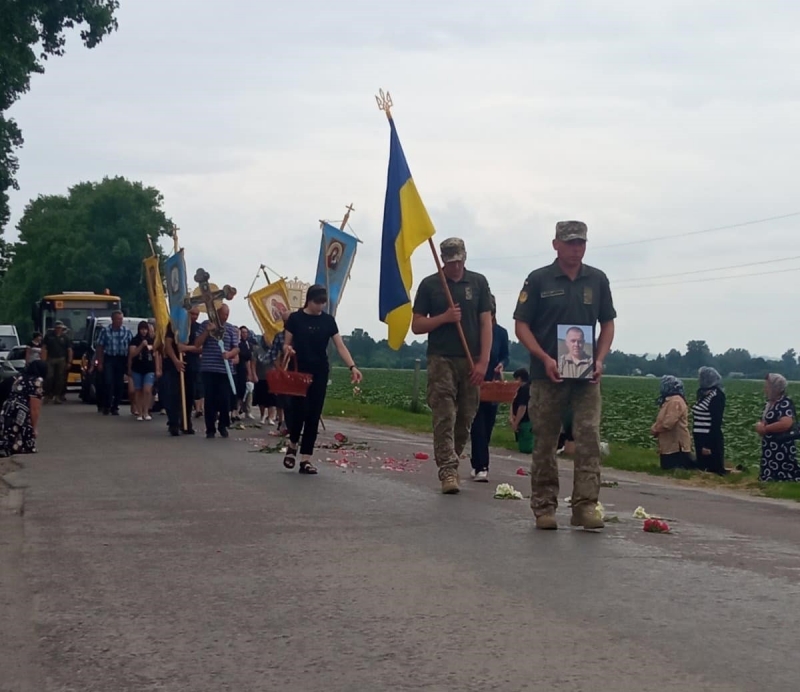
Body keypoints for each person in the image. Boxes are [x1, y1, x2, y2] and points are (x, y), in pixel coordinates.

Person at [513, 220, 616, 530]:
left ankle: (585, 506)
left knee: (588, 439)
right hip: (547, 376)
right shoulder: (539, 280)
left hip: (586, 378)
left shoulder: (596, 280)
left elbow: (607, 323)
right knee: (545, 441)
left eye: (581, 243)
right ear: (555, 244)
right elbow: (521, 325)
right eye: (570, 243)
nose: (576, 248)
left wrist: (599, 359)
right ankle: (544, 506)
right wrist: (543, 357)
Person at [411, 237, 493, 494]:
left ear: (465, 258)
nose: (455, 267)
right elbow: (417, 326)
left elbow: (486, 323)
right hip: (441, 358)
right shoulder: (430, 285)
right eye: (450, 263)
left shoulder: (478, 283)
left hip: (470, 360)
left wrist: (483, 362)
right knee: (445, 413)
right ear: (443, 262)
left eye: (458, 262)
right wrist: (444, 318)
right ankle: (447, 470)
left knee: (466, 416)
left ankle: (453, 458)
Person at [282, 285, 362, 474]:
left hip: (320, 371)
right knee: (299, 411)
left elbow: (340, 346)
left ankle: (306, 459)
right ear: (309, 300)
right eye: (317, 302)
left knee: (313, 414)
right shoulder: (295, 319)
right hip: (300, 370)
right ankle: (293, 443)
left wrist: (352, 366)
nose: (320, 306)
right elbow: (286, 344)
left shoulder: (328, 321)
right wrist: (288, 350)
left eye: (323, 303)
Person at [468, 295, 509, 482]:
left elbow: (505, 356)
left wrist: (501, 364)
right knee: (477, 425)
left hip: (493, 384)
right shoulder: (475, 331)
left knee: (488, 425)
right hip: (476, 382)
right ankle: (482, 466)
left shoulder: (501, 333)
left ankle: (477, 461)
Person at [195, 304, 239, 439]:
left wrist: (229, 353)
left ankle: (223, 425)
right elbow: (197, 344)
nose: (226, 316)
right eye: (224, 314)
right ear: (217, 313)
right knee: (210, 400)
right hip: (209, 368)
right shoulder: (205, 324)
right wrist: (207, 332)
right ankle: (210, 428)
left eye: (228, 314)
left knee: (224, 400)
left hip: (225, 370)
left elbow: (236, 348)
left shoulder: (230, 328)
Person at [756, 373, 800, 482]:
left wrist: (766, 429)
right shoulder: (770, 403)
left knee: (783, 469)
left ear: (775, 388)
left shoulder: (784, 403)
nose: (765, 389)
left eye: (767, 386)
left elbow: (786, 423)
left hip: (781, 445)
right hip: (770, 445)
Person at [0, 360, 47, 456]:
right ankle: (19, 446)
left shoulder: (19, 377)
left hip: (8, 407)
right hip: (20, 410)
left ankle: (7, 446)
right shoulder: (37, 381)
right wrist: (34, 428)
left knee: (9, 430)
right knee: (23, 430)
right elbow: (35, 408)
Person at [651, 375, 694, 471]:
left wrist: (655, 429)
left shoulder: (675, 401)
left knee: (673, 468)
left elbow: (668, 423)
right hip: (669, 445)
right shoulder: (669, 400)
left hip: (676, 446)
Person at [96, 311, 133, 416]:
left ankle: (115, 407)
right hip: (109, 359)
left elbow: (131, 347)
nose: (119, 321)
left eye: (121, 319)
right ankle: (106, 405)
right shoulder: (105, 331)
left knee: (119, 384)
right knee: (108, 382)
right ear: (112, 319)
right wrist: (100, 363)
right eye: (117, 319)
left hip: (121, 359)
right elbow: (100, 347)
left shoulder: (127, 331)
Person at [692, 366, 727, 475]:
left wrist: (708, 445)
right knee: (701, 469)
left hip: (709, 438)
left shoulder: (717, 396)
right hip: (699, 437)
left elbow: (715, 423)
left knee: (710, 470)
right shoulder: (703, 394)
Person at [128, 321, 156, 421]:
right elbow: (132, 354)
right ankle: (139, 412)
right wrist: (141, 346)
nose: (144, 331)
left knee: (147, 390)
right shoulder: (134, 340)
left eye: (145, 329)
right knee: (138, 390)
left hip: (149, 368)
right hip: (137, 368)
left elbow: (156, 354)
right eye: (142, 329)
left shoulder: (152, 340)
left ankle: (146, 411)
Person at [41, 321, 73, 404]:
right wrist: (43, 360)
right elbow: (44, 348)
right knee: (49, 377)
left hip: (61, 359)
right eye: (57, 327)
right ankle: (47, 395)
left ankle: (58, 396)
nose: (58, 329)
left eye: (60, 328)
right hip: (51, 358)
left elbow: (69, 350)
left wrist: (69, 361)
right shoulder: (49, 336)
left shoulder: (65, 338)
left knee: (60, 378)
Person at [510, 368, 533, 454]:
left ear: (519, 378)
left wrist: (516, 422)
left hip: (525, 419)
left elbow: (522, 407)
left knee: (526, 443)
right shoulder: (523, 388)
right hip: (522, 418)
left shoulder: (524, 389)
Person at [235, 326, 256, 420]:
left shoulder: (248, 344)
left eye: (246, 332)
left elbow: (249, 359)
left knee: (245, 390)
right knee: (237, 391)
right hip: (236, 368)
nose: (244, 334)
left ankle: (245, 410)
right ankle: (235, 411)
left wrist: (250, 372)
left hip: (243, 369)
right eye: (242, 332)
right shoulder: (237, 343)